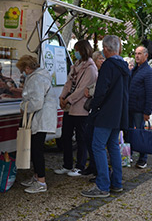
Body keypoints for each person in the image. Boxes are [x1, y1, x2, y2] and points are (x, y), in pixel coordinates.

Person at [81, 35, 129, 198]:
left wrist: (94, 105)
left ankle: (102, 185)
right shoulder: (124, 66)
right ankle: (116, 182)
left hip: (105, 112)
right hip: (118, 113)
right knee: (113, 146)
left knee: (98, 146)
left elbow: (101, 91)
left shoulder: (108, 66)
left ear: (106, 49)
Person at [55, 40, 97, 177]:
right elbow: (68, 84)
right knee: (65, 136)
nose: (75, 53)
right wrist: (62, 97)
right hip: (69, 108)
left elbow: (81, 90)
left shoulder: (90, 68)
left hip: (81, 109)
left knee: (81, 138)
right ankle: (67, 164)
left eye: (77, 50)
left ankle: (80, 166)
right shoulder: (75, 66)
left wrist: (68, 99)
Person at [16, 55, 57, 194]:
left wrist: (23, 106)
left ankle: (41, 181)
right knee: (35, 148)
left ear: (28, 68)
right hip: (43, 117)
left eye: (23, 69)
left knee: (36, 150)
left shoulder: (36, 79)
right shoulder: (41, 75)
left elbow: (36, 102)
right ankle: (36, 176)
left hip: (40, 118)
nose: (23, 72)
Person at [128, 45, 152, 169]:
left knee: (140, 133)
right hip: (129, 107)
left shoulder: (148, 72)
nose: (137, 56)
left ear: (146, 55)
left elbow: (150, 93)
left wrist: (147, 111)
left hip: (140, 109)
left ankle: (142, 158)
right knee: (128, 132)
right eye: (135, 53)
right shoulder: (134, 70)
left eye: (139, 53)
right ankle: (128, 155)